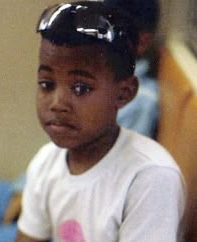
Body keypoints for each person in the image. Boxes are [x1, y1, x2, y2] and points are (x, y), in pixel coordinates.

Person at [16, 1, 185, 242]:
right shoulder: (45, 162)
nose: (57, 103)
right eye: (47, 84)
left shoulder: (151, 177)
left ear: (124, 94)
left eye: (81, 88)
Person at [104, 0, 160, 139]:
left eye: (110, 30)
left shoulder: (141, 101)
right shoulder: (103, 77)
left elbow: (123, 158)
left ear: (141, 42)